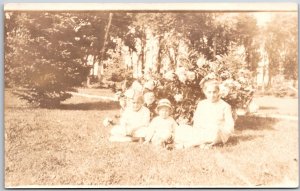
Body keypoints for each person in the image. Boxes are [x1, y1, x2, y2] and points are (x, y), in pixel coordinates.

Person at [174, 79, 234, 149]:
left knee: (214, 131)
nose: (212, 95)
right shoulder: (202, 104)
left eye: (214, 92)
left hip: (217, 133)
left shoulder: (225, 106)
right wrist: (200, 129)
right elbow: (197, 121)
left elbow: (230, 125)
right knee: (181, 128)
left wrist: (221, 131)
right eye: (209, 92)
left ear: (218, 92)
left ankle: (188, 144)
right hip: (202, 131)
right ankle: (203, 144)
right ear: (205, 92)